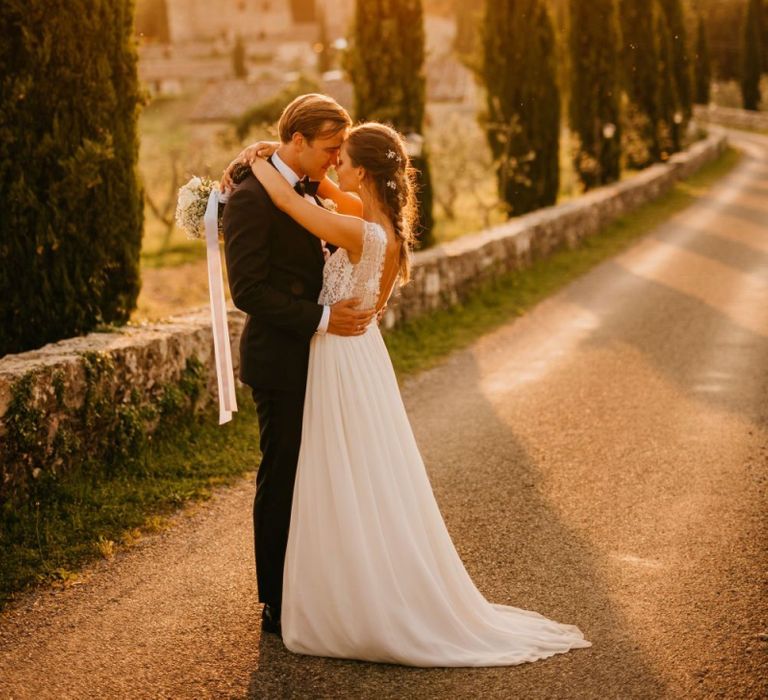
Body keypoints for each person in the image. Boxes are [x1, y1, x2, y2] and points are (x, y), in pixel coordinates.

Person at [237, 120, 593, 666]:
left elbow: (290, 204)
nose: (334, 166)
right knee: (352, 472)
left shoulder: (359, 230)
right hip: (359, 356)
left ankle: (343, 592)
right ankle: (340, 579)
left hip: (339, 356)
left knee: (336, 469)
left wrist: (256, 163)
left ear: (363, 170)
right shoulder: (377, 222)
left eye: (343, 158)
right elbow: (320, 194)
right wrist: (277, 156)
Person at [221, 94, 375, 636]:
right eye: (330, 148)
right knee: (283, 473)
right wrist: (322, 318)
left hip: (324, 359)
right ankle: (277, 600)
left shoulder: (304, 189)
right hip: (281, 358)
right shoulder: (248, 198)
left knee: (324, 475)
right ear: (299, 140)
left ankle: (319, 584)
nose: (337, 159)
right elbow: (248, 291)